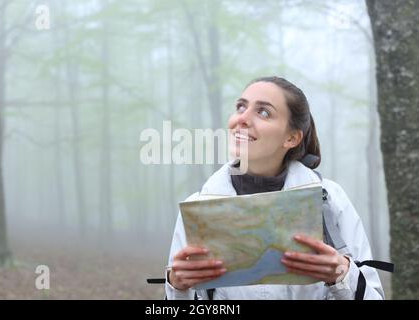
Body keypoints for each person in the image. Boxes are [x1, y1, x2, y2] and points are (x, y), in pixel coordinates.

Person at [165, 76, 385, 300]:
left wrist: (342, 275)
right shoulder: (199, 207)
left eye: (263, 112)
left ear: (291, 138)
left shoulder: (329, 200)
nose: (242, 118)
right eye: (241, 106)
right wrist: (177, 287)